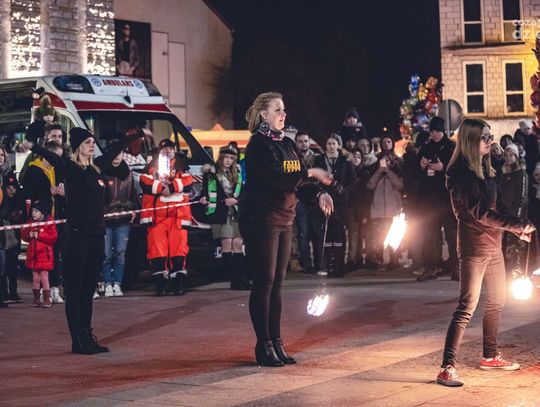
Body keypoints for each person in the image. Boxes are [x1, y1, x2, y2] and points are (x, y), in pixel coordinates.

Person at [436, 118, 535, 387]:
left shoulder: (485, 169)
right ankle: (447, 367)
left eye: (491, 136)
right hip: (474, 246)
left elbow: (497, 206)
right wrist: (515, 225)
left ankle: (489, 355)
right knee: (467, 306)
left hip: (493, 245)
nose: (491, 141)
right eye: (485, 137)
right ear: (471, 141)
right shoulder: (462, 175)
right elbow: (480, 213)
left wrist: (517, 228)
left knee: (497, 300)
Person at [24, 127, 141, 354]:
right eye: (87, 142)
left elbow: (111, 153)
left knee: (88, 290)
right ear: (78, 146)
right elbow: (52, 157)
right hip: (77, 236)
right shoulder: (70, 168)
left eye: (93, 142)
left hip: (96, 235)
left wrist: (129, 138)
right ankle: (77, 340)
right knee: (75, 290)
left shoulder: (96, 168)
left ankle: (87, 335)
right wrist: (34, 144)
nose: (92, 145)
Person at [239, 92, 333, 367]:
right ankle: (264, 345)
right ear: (264, 114)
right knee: (264, 281)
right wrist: (311, 173)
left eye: (284, 109)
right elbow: (278, 179)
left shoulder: (287, 143)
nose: (283, 114)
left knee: (278, 283)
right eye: (277, 110)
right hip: (262, 217)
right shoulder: (258, 145)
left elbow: (298, 182)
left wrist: (318, 194)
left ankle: (277, 341)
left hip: (285, 217)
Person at [140, 139, 193, 296]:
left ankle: (178, 284)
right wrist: (162, 188)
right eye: (164, 149)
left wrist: (170, 187)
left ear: (174, 150)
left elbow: (188, 181)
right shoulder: (151, 167)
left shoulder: (182, 165)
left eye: (170, 148)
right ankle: (160, 285)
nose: (167, 151)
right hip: (157, 218)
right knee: (157, 251)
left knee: (179, 250)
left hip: (178, 217)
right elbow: (145, 182)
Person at [22, 140, 66, 303]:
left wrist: (63, 193)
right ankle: (40, 290)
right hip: (40, 219)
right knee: (39, 256)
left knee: (55, 254)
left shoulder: (58, 170)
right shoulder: (33, 169)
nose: (58, 161)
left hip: (56, 218)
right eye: (56, 157)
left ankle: (54, 288)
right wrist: (48, 191)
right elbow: (28, 192)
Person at [201, 146, 249, 290]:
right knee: (227, 244)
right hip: (220, 212)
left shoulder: (238, 174)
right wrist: (203, 198)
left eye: (231, 158)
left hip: (235, 211)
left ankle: (242, 278)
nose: (228, 160)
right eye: (226, 157)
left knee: (238, 244)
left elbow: (244, 193)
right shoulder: (211, 173)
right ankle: (234, 279)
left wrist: (236, 201)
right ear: (221, 157)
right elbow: (205, 191)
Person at [416, 116, 458, 281]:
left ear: (443, 131)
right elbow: (416, 173)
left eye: (437, 131)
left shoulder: (451, 147)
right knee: (431, 235)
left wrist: (443, 168)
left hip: (447, 198)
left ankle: (457, 267)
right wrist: (421, 165)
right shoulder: (426, 147)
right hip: (430, 199)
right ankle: (431, 266)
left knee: (452, 234)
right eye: (432, 131)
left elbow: (459, 169)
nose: (434, 134)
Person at [313, 134, 357, 277]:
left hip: (341, 202)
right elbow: (314, 178)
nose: (331, 146)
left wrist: (345, 191)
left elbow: (353, 180)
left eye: (334, 143)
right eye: (329, 143)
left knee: (339, 234)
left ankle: (339, 266)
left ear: (338, 145)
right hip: (324, 200)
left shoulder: (345, 161)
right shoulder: (319, 160)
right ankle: (327, 266)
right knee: (326, 233)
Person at [101, 147, 138, 297]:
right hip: (106, 221)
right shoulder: (103, 173)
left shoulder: (129, 174)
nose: (117, 156)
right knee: (106, 254)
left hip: (123, 220)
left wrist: (133, 209)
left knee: (120, 253)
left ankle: (117, 283)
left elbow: (132, 195)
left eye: (120, 153)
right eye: (114, 153)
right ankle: (107, 283)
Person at [365, 135, 403, 269]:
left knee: (394, 234)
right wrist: (379, 171)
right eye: (384, 142)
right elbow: (370, 185)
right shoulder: (375, 162)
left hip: (394, 206)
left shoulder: (399, 162)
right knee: (378, 235)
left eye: (389, 141)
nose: (386, 144)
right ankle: (377, 259)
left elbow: (400, 185)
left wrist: (389, 172)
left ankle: (394, 260)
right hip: (378, 206)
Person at [497, 143, 528, 281]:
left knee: (516, 248)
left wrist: (518, 217)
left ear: (516, 156)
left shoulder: (521, 174)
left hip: (516, 216)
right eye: (506, 155)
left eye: (511, 155)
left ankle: (515, 277)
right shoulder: (502, 173)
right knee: (504, 248)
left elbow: (522, 196)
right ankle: (505, 276)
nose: (509, 158)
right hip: (504, 215)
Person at [21, 200, 57, 308]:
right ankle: (36, 299)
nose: (33, 213)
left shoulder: (49, 223)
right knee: (35, 278)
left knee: (44, 277)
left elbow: (53, 238)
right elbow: (24, 236)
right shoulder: (30, 223)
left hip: (44, 255)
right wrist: (29, 234)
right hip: (33, 256)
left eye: (36, 211)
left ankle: (47, 299)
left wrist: (40, 235)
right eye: (33, 211)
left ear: (42, 212)